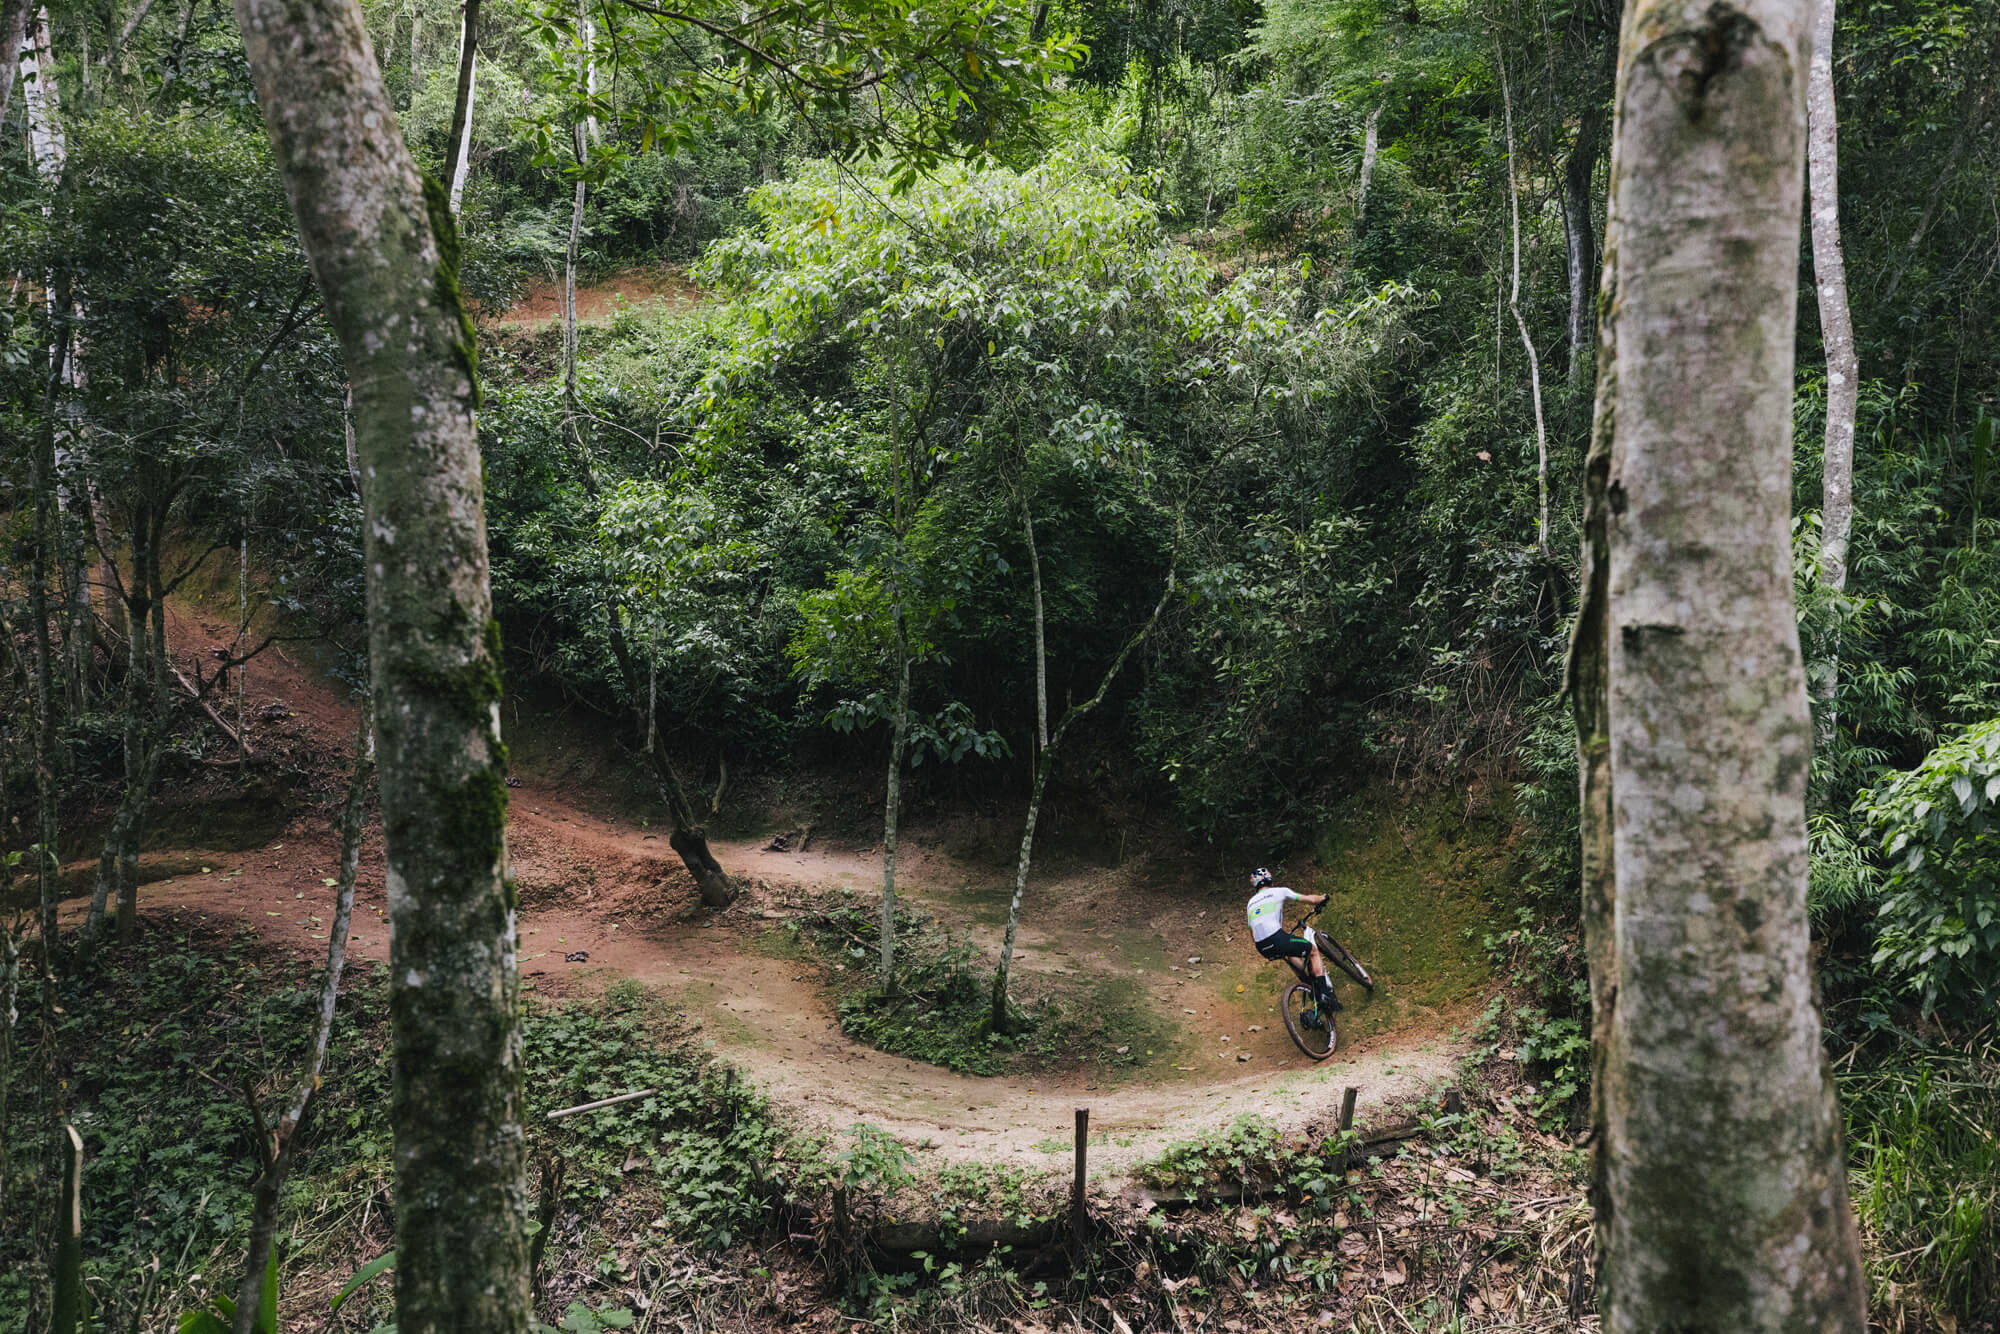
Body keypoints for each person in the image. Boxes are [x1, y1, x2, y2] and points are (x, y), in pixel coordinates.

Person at [1245, 867, 1339, 1008]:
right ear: (1268, 879)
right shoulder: (1279, 891)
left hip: (1262, 947)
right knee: (1312, 951)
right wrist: (1323, 897)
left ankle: (1309, 986)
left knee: (1289, 954)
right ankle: (1325, 994)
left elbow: (1252, 931)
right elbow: (1309, 899)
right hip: (1277, 938)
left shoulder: (1250, 903)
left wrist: (1262, 944)